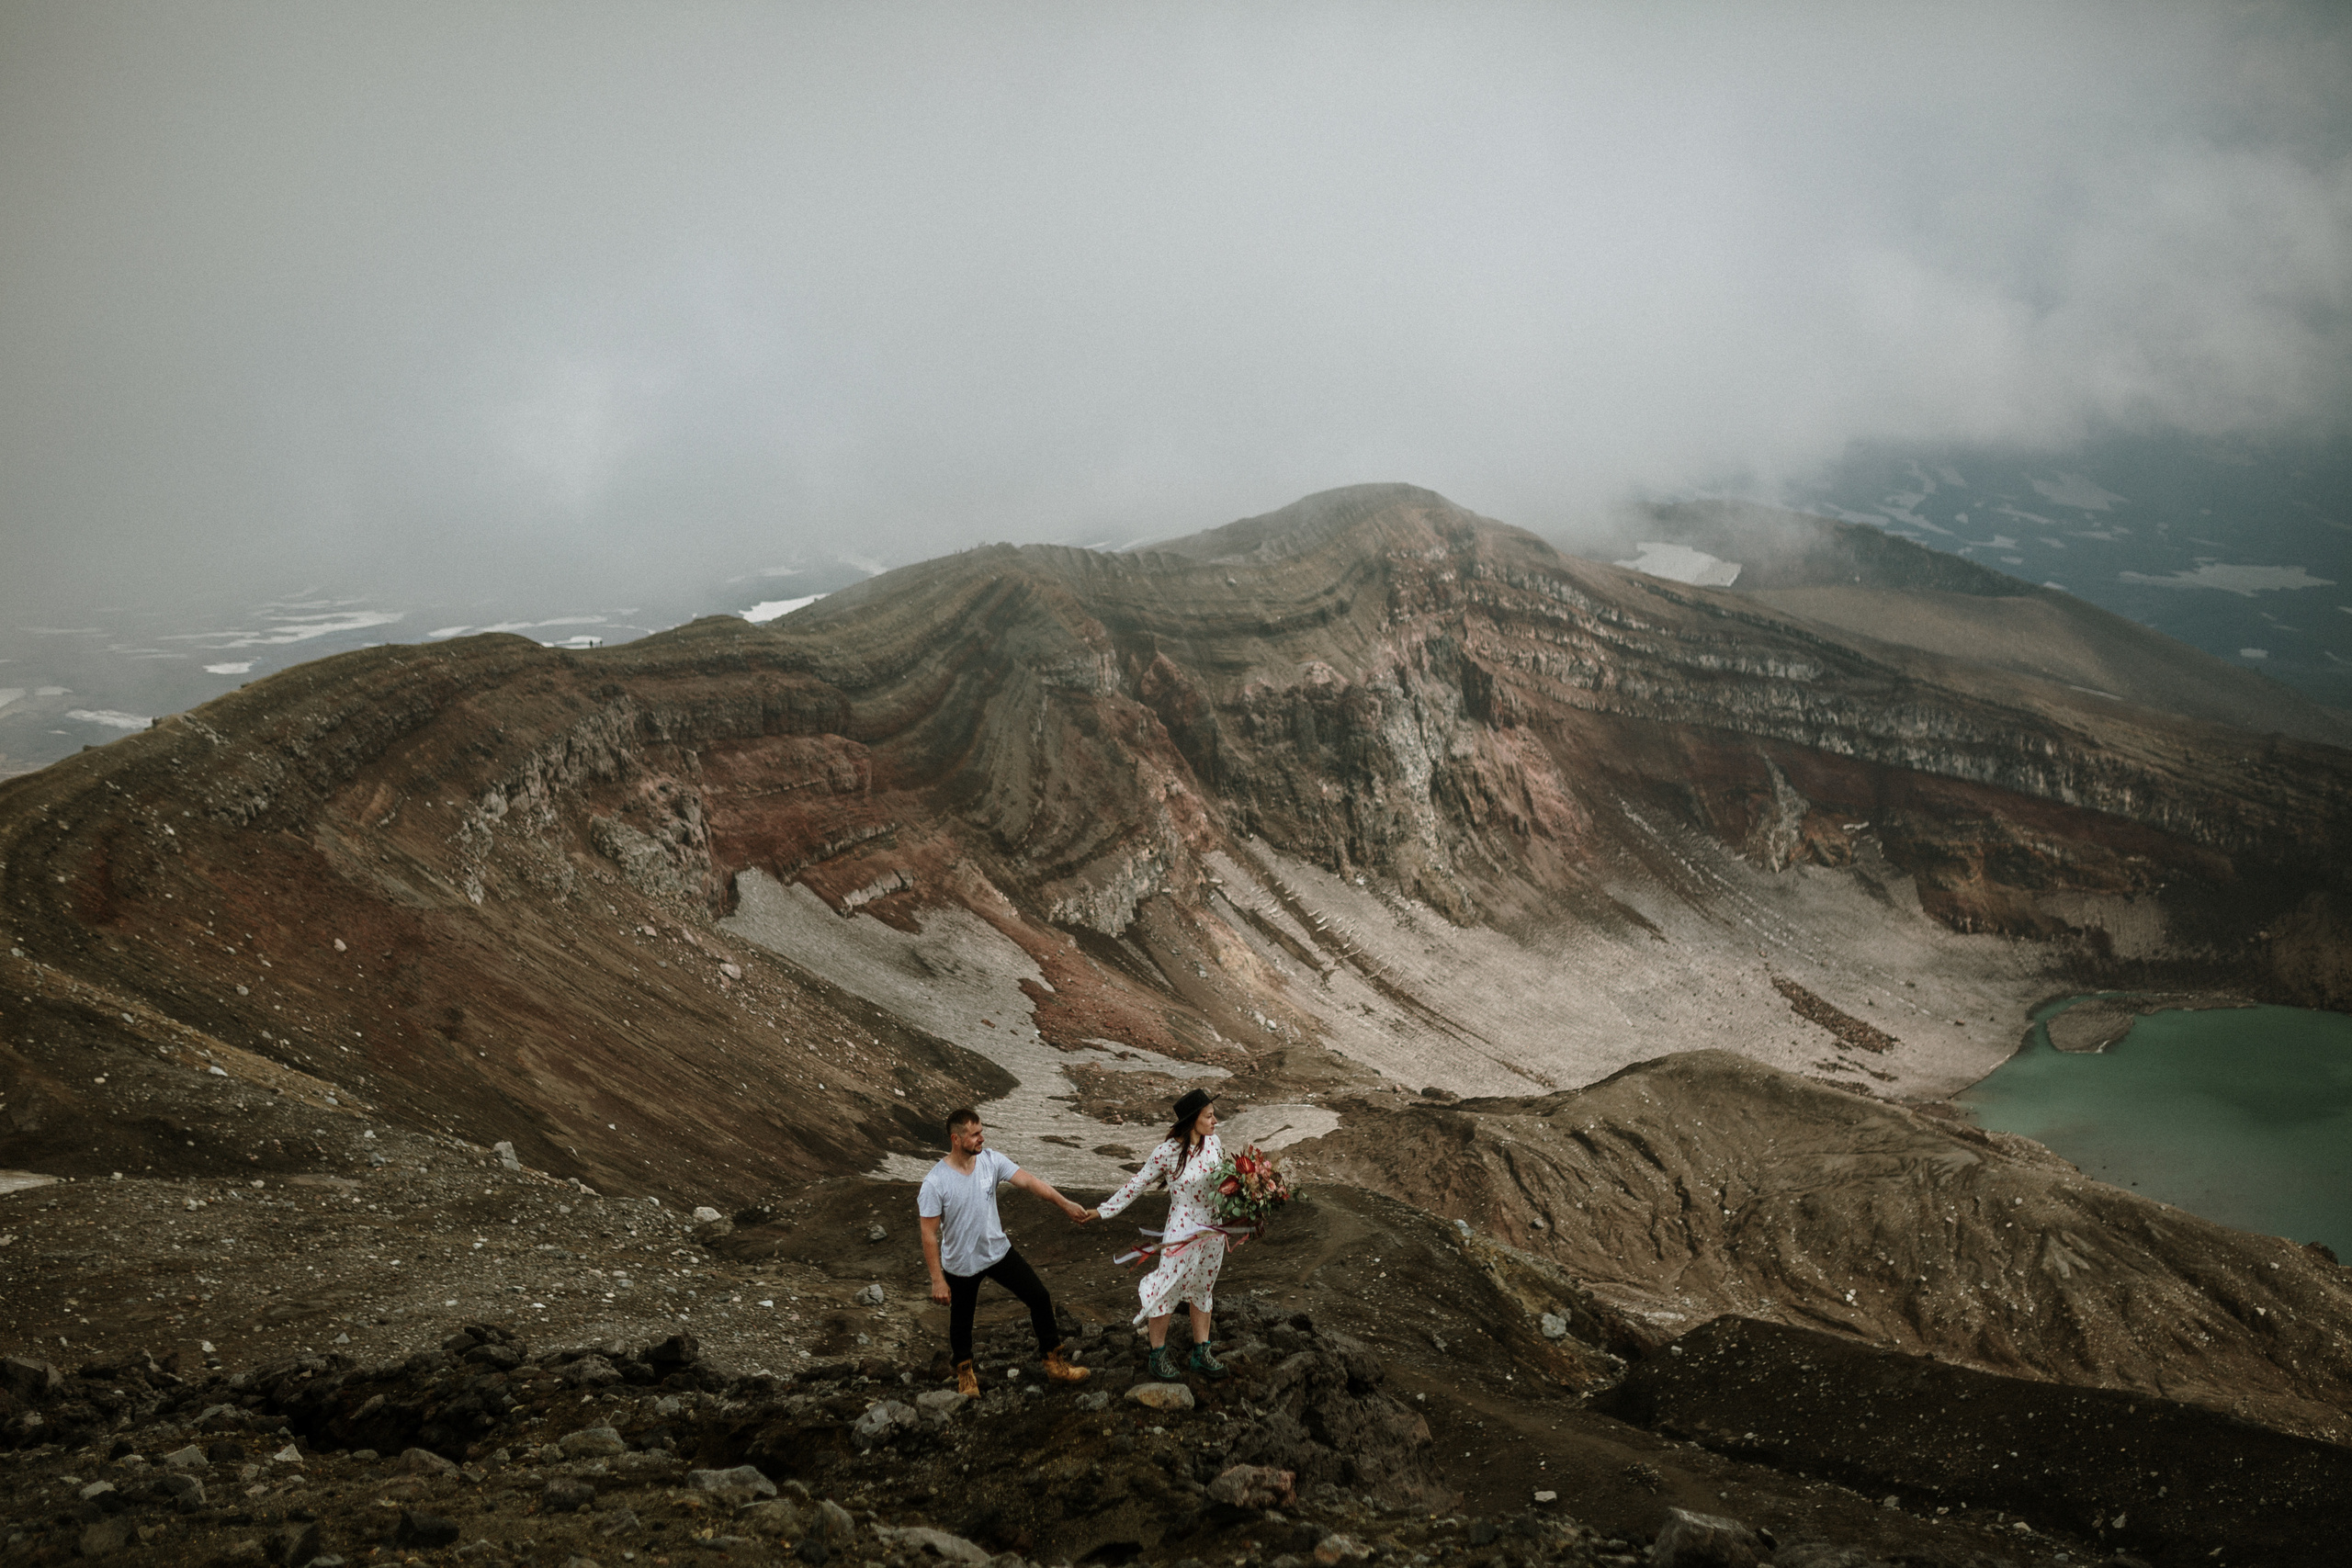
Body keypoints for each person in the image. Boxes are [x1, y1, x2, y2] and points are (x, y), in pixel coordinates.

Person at [919, 1107, 1094, 1396]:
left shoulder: (990, 1160)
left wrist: (1065, 1204)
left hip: (998, 1252)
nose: (981, 1138)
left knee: (1039, 1297)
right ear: (955, 1138)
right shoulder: (935, 1182)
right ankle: (965, 1376)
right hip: (961, 1263)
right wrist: (938, 1280)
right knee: (962, 1320)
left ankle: (1055, 1365)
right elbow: (928, 1233)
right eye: (975, 1134)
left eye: (981, 1132)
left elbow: (1030, 1182)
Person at [1086, 1087, 1233, 1382]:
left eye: (1214, 1115)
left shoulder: (1215, 1143)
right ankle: (1157, 1354)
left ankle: (1200, 1352)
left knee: (1204, 1287)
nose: (1215, 1120)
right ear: (1193, 1119)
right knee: (1167, 1287)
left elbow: (1224, 1182)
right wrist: (1103, 1211)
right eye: (1209, 1115)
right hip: (1182, 1226)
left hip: (1213, 1227)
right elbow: (1136, 1184)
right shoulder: (1167, 1153)